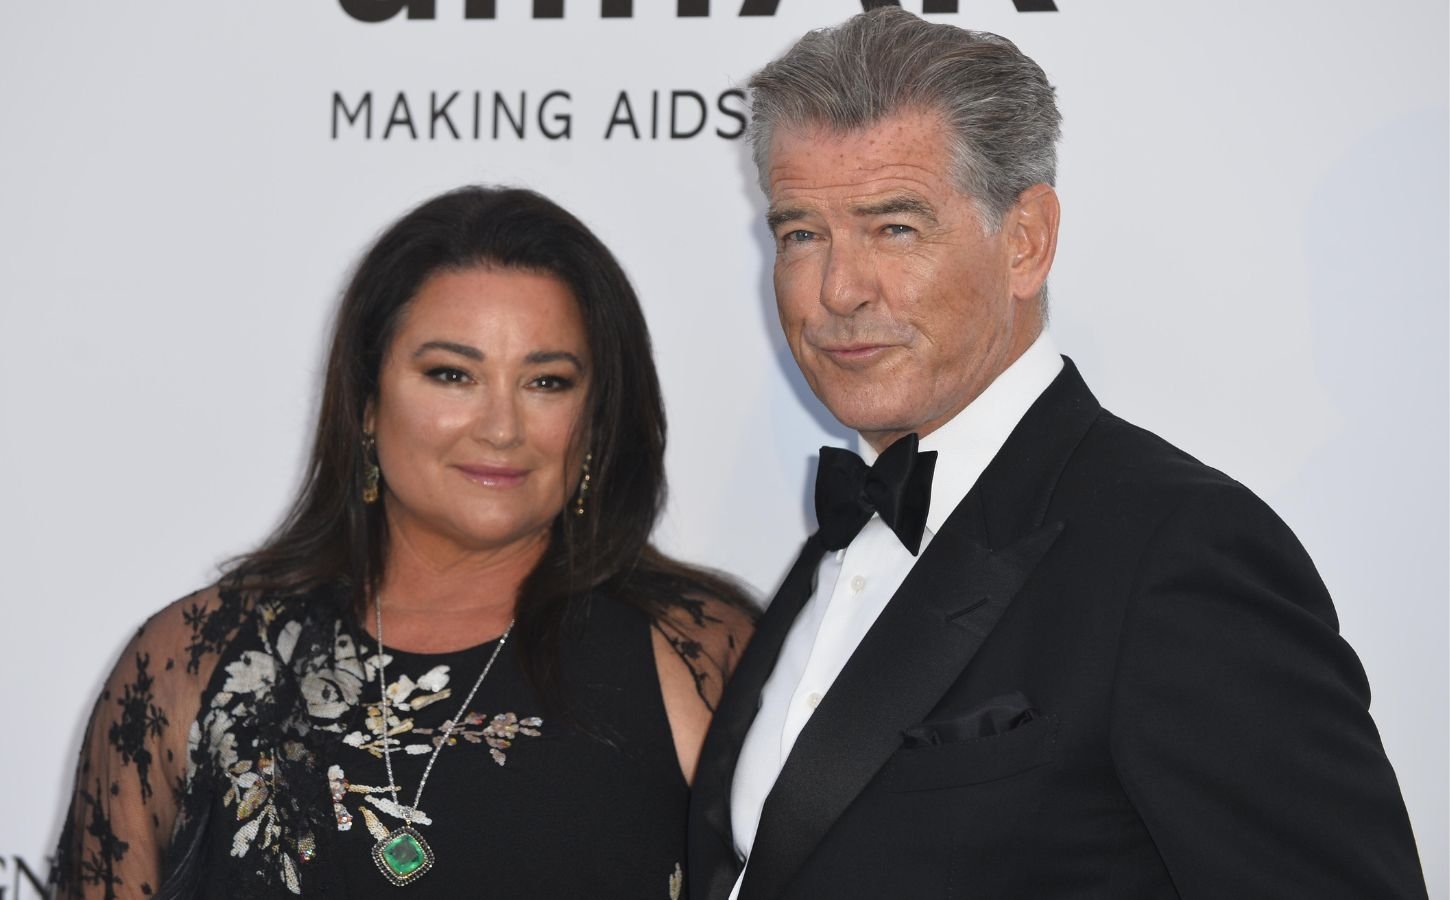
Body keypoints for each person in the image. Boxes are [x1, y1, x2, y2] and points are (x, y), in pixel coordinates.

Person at [687, 8, 1426, 899]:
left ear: (1026, 242)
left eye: (895, 228)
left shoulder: (1179, 550)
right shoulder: (841, 538)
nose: (837, 289)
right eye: (802, 233)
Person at [52, 185, 754, 899]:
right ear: (365, 400)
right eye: (452, 375)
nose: (501, 427)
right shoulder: (194, 664)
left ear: (596, 419)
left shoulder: (696, 653)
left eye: (547, 381)